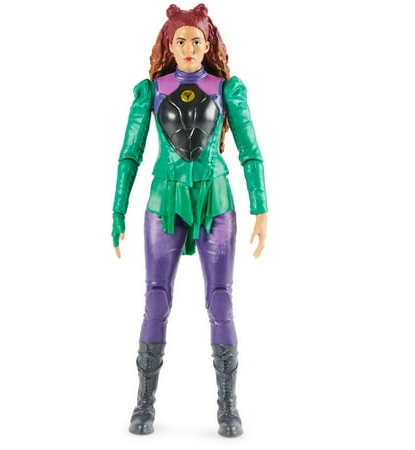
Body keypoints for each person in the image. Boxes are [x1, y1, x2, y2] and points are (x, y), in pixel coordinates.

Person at [111, 3, 268, 437]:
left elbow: (251, 152)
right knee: (156, 298)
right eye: (180, 40)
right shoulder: (151, 90)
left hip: (216, 200)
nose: (188, 48)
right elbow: (129, 153)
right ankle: (144, 403)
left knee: (220, 299)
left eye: (196, 41)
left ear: (208, 44)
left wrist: (261, 209)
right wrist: (117, 209)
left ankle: (228, 406)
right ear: (169, 44)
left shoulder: (226, 89)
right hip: (164, 201)